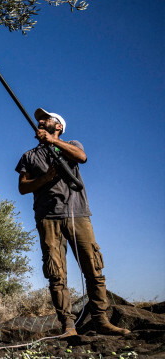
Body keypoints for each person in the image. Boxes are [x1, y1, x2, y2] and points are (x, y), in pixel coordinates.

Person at [15, 108, 130, 337]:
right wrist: (45, 179)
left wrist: (53, 142)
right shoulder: (28, 156)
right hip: (47, 217)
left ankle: (101, 320)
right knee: (56, 273)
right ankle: (68, 326)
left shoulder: (71, 144)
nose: (40, 120)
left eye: (46, 118)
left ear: (58, 127)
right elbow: (22, 187)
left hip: (78, 214)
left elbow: (82, 157)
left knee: (93, 267)